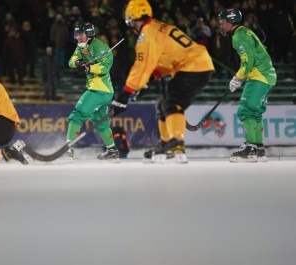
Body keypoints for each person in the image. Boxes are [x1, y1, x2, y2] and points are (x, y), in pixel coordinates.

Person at [112, 0, 214, 163]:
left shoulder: (147, 35)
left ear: (133, 18)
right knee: (162, 104)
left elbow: (142, 65)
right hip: (192, 65)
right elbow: (165, 61)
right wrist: (147, 81)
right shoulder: (157, 27)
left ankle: (176, 143)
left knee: (172, 103)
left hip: (193, 67)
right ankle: (167, 143)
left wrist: (126, 93)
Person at [218, 8, 276, 162]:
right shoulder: (245, 32)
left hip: (258, 76)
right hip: (267, 75)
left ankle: (250, 149)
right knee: (255, 113)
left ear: (231, 22)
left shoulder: (238, 36)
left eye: (223, 22)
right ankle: (258, 148)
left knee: (246, 110)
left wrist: (237, 78)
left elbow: (248, 61)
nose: (221, 26)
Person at [66, 21, 119, 161]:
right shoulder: (81, 46)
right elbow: (71, 61)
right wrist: (77, 62)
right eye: (76, 34)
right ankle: (112, 150)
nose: (78, 37)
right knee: (101, 124)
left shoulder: (100, 47)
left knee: (77, 115)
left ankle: (68, 149)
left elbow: (105, 68)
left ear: (89, 34)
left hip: (99, 89)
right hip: (102, 91)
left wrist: (89, 68)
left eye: (81, 34)